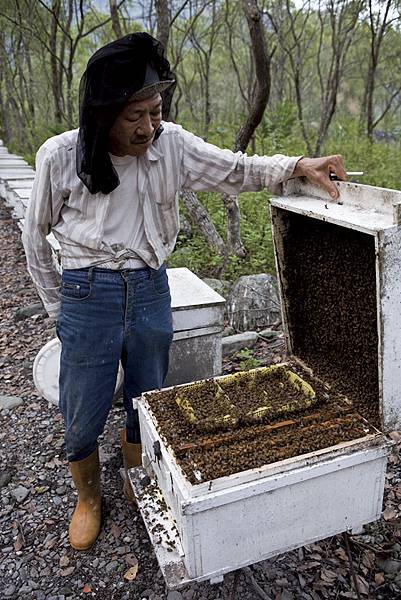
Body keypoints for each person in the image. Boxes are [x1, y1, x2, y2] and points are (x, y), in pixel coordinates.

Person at [22, 32, 347, 551]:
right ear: (105, 112)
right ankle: (87, 497)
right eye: (137, 116)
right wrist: (60, 305)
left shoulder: (170, 144)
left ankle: (138, 476)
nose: (150, 126)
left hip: (151, 288)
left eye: (156, 111)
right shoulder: (60, 156)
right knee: (81, 407)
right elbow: (33, 235)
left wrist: (296, 166)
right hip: (88, 293)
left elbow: (234, 170)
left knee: (149, 397)